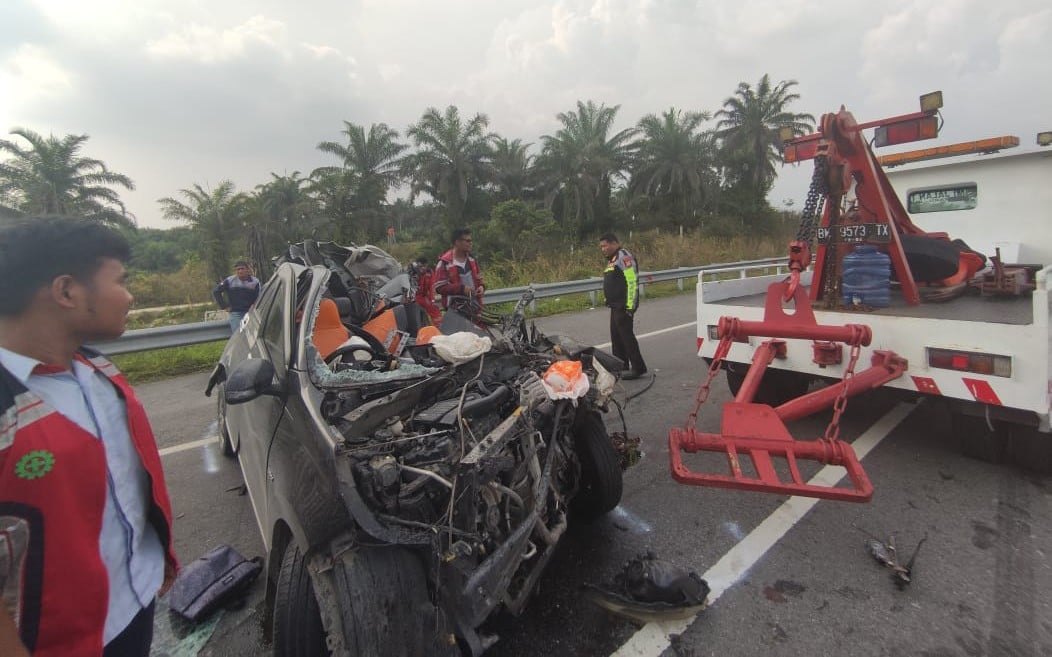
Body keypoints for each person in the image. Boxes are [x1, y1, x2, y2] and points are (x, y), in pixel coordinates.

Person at [0, 216, 178, 657]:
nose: (130, 295)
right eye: (120, 281)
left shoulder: (99, 373)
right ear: (65, 292)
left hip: (134, 601)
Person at [599, 232, 648, 380]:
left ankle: (638, 367)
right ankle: (620, 365)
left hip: (624, 306)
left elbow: (632, 282)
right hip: (614, 305)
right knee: (616, 337)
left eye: (605, 245)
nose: (603, 249)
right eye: (601, 247)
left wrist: (630, 306)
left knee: (627, 337)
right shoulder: (613, 259)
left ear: (614, 243)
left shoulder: (624, 257)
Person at [433, 228, 485, 311]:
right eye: (467, 241)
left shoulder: (472, 260)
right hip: (456, 310)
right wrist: (462, 289)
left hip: (475, 308)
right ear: (457, 242)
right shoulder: (445, 263)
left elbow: (479, 280)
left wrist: (482, 287)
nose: (471, 243)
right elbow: (440, 287)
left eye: (471, 241)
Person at [212, 260, 261, 333]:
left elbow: (260, 296)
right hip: (236, 314)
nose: (240, 271)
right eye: (238, 269)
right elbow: (216, 291)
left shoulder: (255, 282)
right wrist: (224, 306)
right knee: (238, 335)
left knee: (253, 335)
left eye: (242, 269)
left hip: (251, 313)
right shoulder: (230, 280)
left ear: (248, 270)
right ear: (235, 271)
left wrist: (255, 304)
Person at [411, 256, 442, 325]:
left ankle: (439, 326)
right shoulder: (411, 272)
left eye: (424, 266)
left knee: (434, 309)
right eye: (421, 266)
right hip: (413, 296)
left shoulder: (429, 272)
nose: (422, 268)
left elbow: (432, 287)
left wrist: (432, 299)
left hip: (423, 296)